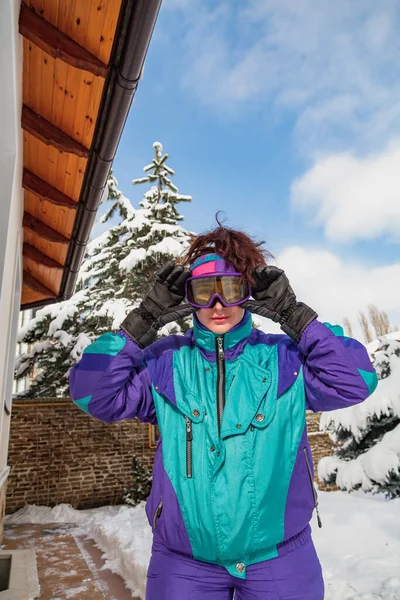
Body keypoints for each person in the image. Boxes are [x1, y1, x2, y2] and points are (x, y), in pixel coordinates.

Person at [70, 224, 378, 600]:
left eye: (231, 289)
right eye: (204, 292)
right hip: (184, 564)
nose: (217, 304)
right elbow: (90, 394)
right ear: (188, 297)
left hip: (279, 560)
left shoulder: (285, 359)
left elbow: (358, 380)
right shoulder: (166, 362)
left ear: (248, 294)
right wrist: (145, 320)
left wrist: (294, 315)